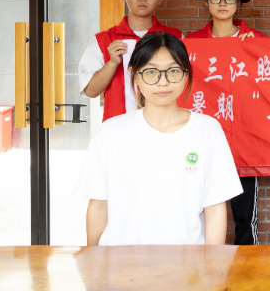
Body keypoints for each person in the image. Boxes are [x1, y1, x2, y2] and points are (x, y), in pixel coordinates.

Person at [75, 33, 243, 246]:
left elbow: (215, 207)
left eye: (173, 71)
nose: (163, 82)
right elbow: (99, 205)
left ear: (186, 74)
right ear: (134, 74)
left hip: (188, 263)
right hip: (119, 262)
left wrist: (212, 262)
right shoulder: (111, 132)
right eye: (151, 72)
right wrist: (93, 260)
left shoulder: (208, 130)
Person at [185, 0, 266, 246]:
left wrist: (253, 50)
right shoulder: (191, 44)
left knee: (245, 216)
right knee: (202, 211)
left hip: (246, 140)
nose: (222, 3)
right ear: (206, 2)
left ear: (238, 3)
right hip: (203, 140)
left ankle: (248, 266)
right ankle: (203, 266)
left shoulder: (257, 39)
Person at [79, 0, 183, 122]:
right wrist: (112, 63)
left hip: (166, 126)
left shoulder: (176, 37)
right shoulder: (102, 40)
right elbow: (90, 91)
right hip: (118, 127)